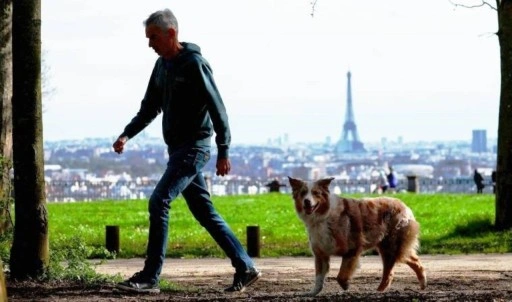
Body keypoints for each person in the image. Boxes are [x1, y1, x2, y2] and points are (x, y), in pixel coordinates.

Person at [112, 9, 260, 294]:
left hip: (195, 148)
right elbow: (149, 108)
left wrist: (223, 150)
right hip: (177, 149)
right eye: (148, 38)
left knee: (159, 202)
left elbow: (218, 108)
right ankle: (246, 266)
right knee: (205, 212)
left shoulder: (194, 64)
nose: (149, 44)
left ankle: (150, 277)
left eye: (153, 37)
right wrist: (127, 134)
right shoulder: (161, 66)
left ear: (171, 33)